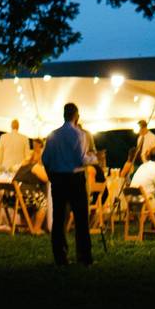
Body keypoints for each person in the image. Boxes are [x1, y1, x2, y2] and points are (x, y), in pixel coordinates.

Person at [41, 103, 93, 266]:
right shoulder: (80, 134)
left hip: (58, 179)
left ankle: (60, 257)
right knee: (81, 219)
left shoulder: (53, 135)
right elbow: (81, 159)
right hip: (75, 178)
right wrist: (94, 159)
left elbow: (45, 159)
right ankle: (83, 257)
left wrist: (51, 176)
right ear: (76, 116)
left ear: (64, 115)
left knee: (59, 219)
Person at [12, 139, 50, 235]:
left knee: (29, 203)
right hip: (23, 195)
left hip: (11, 197)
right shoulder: (34, 166)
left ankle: (26, 227)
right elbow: (46, 178)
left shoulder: (23, 166)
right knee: (43, 201)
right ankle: (36, 229)